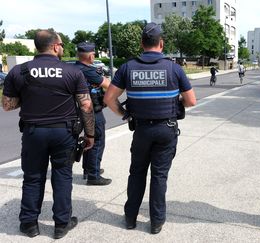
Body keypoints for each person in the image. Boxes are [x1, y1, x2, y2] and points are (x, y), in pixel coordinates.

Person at [104, 22, 196, 234]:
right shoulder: (174, 68)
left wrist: (125, 114)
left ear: (141, 44)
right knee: (159, 176)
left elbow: (110, 98)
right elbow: (191, 101)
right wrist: (174, 104)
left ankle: (130, 218)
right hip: (166, 128)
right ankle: (156, 222)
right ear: (161, 44)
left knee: (136, 173)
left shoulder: (128, 67)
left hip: (141, 130)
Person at [1, 29, 95, 239]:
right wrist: (90, 134)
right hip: (64, 132)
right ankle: (61, 224)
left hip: (33, 132)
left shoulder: (19, 71)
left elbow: (7, 105)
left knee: (33, 177)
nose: (62, 48)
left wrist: (29, 98)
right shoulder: (72, 72)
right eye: (61, 45)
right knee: (62, 176)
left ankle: (29, 224)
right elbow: (86, 106)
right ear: (54, 46)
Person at [75, 42, 112, 186]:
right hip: (92, 110)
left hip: (78, 110)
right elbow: (108, 84)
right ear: (91, 55)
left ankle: (87, 169)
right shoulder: (88, 71)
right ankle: (93, 175)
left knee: (88, 139)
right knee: (97, 141)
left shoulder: (74, 68)